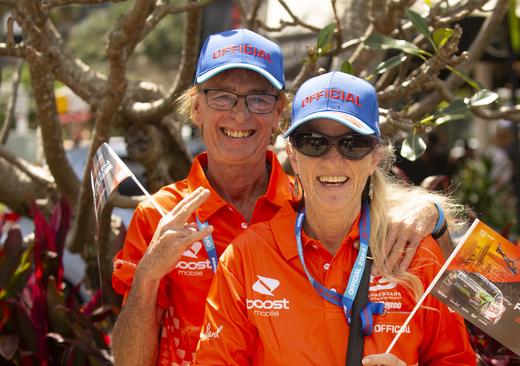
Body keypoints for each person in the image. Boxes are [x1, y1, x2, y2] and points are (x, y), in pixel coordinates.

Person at [111, 30, 447, 365]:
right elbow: (128, 362)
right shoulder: (159, 216)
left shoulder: (310, 199)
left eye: (258, 98)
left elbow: (470, 298)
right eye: (222, 96)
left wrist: (433, 213)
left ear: (278, 113)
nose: (240, 115)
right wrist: (147, 277)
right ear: (197, 106)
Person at [193, 72, 475, 365]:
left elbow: (457, 359)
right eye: (314, 142)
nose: (332, 160)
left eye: (352, 144)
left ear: (374, 157)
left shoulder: (414, 252)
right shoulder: (246, 256)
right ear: (294, 154)